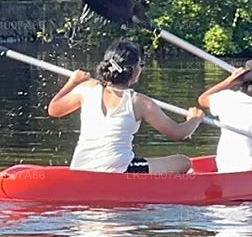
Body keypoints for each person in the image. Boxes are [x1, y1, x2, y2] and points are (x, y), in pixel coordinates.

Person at [48, 39, 204, 174]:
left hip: (81, 167)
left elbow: (53, 109)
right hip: (121, 169)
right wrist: (195, 119)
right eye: (140, 65)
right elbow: (178, 133)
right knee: (183, 162)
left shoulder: (86, 89)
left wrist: (72, 82)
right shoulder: (139, 102)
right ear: (134, 70)